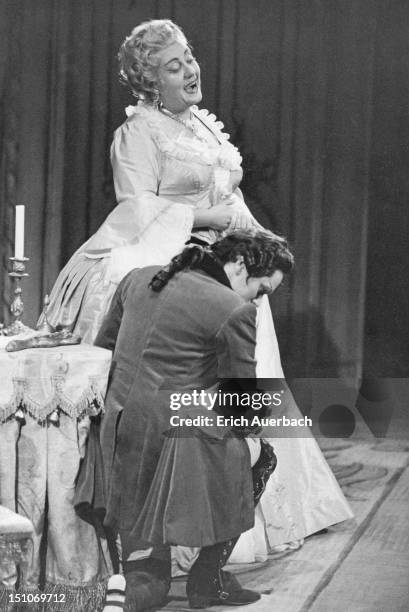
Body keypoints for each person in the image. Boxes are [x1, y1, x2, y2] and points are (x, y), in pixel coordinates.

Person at [43, 18, 352, 566]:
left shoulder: (203, 126)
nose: (190, 70)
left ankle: (241, 509)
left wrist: (257, 242)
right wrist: (208, 216)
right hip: (173, 264)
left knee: (242, 384)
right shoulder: (138, 132)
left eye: (189, 57)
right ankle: (172, 537)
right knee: (195, 394)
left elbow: (229, 195)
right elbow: (135, 208)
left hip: (227, 267)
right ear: (148, 83)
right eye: (174, 66)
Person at [93, 230, 293, 610]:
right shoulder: (233, 309)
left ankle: (136, 577)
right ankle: (207, 579)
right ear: (239, 265)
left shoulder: (139, 277)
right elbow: (242, 401)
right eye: (262, 290)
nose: (259, 301)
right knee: (263, 454)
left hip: (113, 428)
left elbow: (103, 351)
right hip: (169, 437)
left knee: (148, 574)